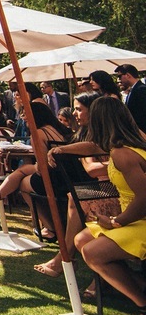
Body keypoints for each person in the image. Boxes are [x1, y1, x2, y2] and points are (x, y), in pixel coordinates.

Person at [73, 96, 146, 315]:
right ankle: (136, 286)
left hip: (140, 220)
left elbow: (145, 198)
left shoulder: (122, 155)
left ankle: (143, 304)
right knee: (83, 239)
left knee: (92, 252)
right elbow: (94, 147)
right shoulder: (135, 140)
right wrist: (61, 149)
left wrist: (116, 221)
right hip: (135, 218)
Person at [33, 91, 118, 279]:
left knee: (73, 197)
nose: (74, 113)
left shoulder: (119, 134)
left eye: (79, 109)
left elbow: (94, 167)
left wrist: (120, 163)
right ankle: (66, 256)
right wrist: (60, 149)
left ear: (95, 111)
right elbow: (92, 157)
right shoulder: (87, 135)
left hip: (117, 191)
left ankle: (65, 256)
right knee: (70, 195)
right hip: (102, 188)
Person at [0, 102, 72, 239]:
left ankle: (51, 227)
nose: (23, 118)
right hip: (68, 177)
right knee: (23, 171)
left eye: (25, 115)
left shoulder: (39, 134)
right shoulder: (59, 130)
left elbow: (42, 168)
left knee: (24, 184)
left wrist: (31, 168)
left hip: (54, 180)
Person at [117, 64, 146, 132]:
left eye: (120, 76)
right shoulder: (134, 90)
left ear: (128, 75)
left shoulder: (141, 89)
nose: (119, 79)